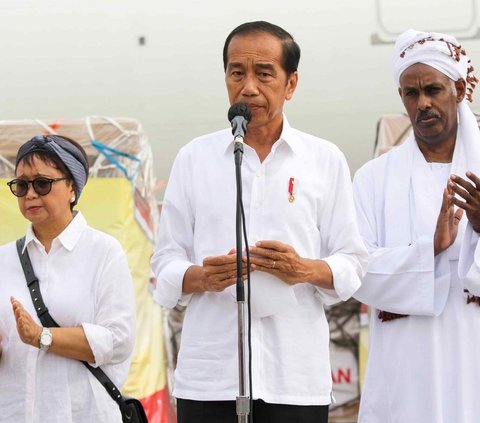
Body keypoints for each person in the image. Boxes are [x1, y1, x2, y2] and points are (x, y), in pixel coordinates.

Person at [151, 21, 367, 423]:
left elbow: (353, 262)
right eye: (237, 73)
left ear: (291, 84)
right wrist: (202, 277)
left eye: (264, 73)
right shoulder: (194, 159)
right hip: (210, 376)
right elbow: (163, 264)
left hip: (295, 379)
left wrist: (304, 270)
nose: (248, 86)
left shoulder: (324, 160)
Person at [353, 29, 480, 423]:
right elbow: (356, 271)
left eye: (433, 89)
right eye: (411, 93)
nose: (422, 102)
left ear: (459, 90)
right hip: (404, 363)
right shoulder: (373, 179)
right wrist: (431, 250)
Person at [0, 135, 136, 422]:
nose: (30, 194)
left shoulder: (104, 252)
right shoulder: (3, 259)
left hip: (83, 414)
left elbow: (119, 340)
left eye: (42, 183)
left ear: (72, 187)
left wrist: (42, 336)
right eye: (22, 185)